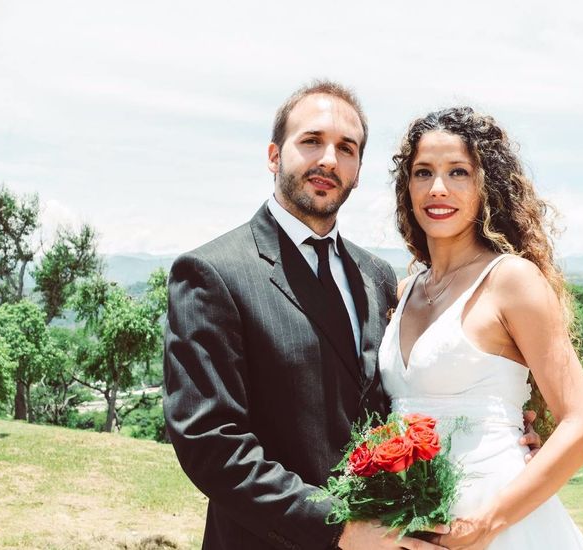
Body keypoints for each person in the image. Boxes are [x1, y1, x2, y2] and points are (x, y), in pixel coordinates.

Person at [163, 82, 540, 550]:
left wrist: (501, 432)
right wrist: (338, 527)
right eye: (311, 141)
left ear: (358, 171)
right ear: (273, 155)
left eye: (347, 148)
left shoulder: (378, 277)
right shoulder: (212, 273)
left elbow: (402, 397)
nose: (328, 160)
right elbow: (210, 444)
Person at [379, 106, 583, 549]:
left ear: (487, 186)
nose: (437, 188)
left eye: (458, 172)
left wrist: (486, 524)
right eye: (423, 172)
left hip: (498, 525)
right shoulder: (403, 291)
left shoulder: (511, 280)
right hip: (416, 527)